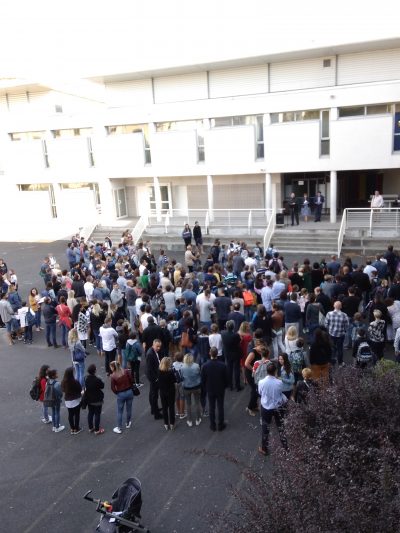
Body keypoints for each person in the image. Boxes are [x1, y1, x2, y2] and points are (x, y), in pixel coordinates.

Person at [258, 361, 288, 456]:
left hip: (266, 408)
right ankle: (285, 447)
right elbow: (281, 392)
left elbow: (260, 393)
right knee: (281, 427)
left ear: (267, 371)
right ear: (275, 371)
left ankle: (264, 448)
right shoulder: (279, 382)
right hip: (278, 407)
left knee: (265, 428)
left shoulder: (261, 382)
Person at [201, 347, 228, 431]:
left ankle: (212, 425)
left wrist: (206, 388)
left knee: (211, 407)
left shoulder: (205, 366)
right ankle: (220, 425)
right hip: (220, 389)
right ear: (217, 354)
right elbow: (226, 378)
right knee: (220, 406)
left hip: (210, 389)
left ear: (210, 353)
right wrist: (224, 386)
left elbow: (203, 379)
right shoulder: (223, 365)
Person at [110, 360, 134, 434]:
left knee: (120, 411)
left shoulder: (113, 376)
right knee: (129, 409)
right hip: (129, 392)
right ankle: (128, 423)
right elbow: (132, 380)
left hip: (121, 394)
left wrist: (117, 393)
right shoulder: (126, 371)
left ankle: (119, 428)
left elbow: (113, 388)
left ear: (113, 367)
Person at [180, 353, 202, 427]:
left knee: (188, 404)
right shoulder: (196, 366)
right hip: (196, 386)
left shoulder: (182, 367)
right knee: (197, 403)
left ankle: (189, 421)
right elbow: (199, 374)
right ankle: (198, 419)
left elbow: (181, 377)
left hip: (187, 387)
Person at [325, 301, 349, 366]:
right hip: (341, 334)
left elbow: (326, 324)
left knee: (332, 348)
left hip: (332, 334)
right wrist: (344, 331)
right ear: (341, 307)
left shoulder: (329, 314)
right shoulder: (344, 315)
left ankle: (332, 361)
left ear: (334, 306)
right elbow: (347, 326)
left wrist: (330, 329)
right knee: (340, 348)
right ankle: (340, 362)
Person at [221, 320, 243, 391]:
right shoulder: (235, 335)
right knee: (236, 370)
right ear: (233, 327)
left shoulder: (223, 333)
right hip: (235, 354)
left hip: (227, 353)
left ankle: (230, 385)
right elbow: (239, 341)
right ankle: (237, 386)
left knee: (229, 369)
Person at [61, 366, 82, 435]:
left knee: (70, 415)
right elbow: (80, 389)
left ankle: (72, 429)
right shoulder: (75, 382)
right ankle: (77, 428)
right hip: (75, 400)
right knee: (77, 415)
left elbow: (63, 390)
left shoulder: (63, 382)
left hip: (68, 401)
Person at [84, 364, 105, 435]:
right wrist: (100, 379)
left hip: (89, 399)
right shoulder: (97, 379)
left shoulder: (86, 378)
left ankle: (90, 428)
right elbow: (102, 386)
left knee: (90, 413)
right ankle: (97, 430)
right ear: (94, 371)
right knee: (97, 414)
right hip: (97, 399)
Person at [146, 339, 163, 419]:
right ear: (153, 345)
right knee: (154, 395)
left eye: (159, 346)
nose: (158, 348)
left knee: (152, 394)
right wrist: (156, 379)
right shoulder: (150, 354)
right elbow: (150, 369)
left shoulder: (153, 352)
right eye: (157, 346)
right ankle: (156, 414)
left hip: (154, 376)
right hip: (154, 378)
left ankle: (154, 409)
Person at [158, 357, 177, 430]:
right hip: (170, 392)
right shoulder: (170, 372)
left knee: (164, 408)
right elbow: (175, 381)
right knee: (171, 407)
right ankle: (172, 423)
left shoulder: (159, 372)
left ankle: (166, 423)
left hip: (162, 392)